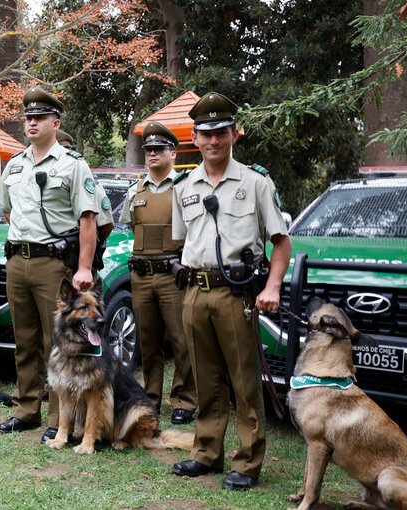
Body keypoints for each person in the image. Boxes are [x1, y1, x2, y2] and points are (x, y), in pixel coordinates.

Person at [170, 92, 291, 490]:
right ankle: (205, 452)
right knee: (204, 379)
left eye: (221, 132)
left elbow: (281, 241)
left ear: (233, 135)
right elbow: (181, 242)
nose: (213, 141)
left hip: (236, 295)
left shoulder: (255, 182)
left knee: (243, 380)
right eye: (205, 134)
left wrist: (272, 287)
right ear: (195, 137)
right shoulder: (184, 186)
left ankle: (247, 461)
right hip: (195, 291)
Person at [0, 87, 99, 443]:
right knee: (23, 339)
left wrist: (83, 268)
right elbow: (8, 209)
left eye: (39, 118)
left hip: (54, 264)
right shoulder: (16, 163)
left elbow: (87, 219)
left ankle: (59, 419)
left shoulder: (73, 165)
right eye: (28, 118)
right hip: (18, 260)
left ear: (56, 122)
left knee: (56, 341)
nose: (32, 123)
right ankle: (26, 409)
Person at [120, 121, 196, 424]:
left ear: (172, 153)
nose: (152, 153)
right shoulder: (135, 191)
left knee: (181, 340)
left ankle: (184, 399)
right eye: (148, 149)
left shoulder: (185, 188)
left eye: (159, 149)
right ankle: (150, 396)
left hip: (172, 275)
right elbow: (129, 226)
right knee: (148, 341)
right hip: (141, 275)